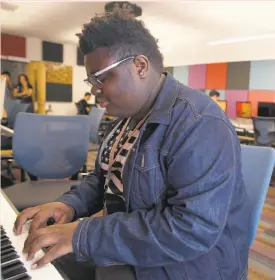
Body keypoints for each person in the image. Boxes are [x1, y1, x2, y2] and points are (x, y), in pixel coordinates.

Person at [14, 12, 249, 280]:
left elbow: (191, 230)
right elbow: (104, 178)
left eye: (101, 77)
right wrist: (69, 206)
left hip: (187, 267)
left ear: (140, 65)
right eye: (91, 81)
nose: (94, 90)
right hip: (135, 246)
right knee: (36, 260)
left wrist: (84, 235)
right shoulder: (126, 117)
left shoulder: (200, 124)